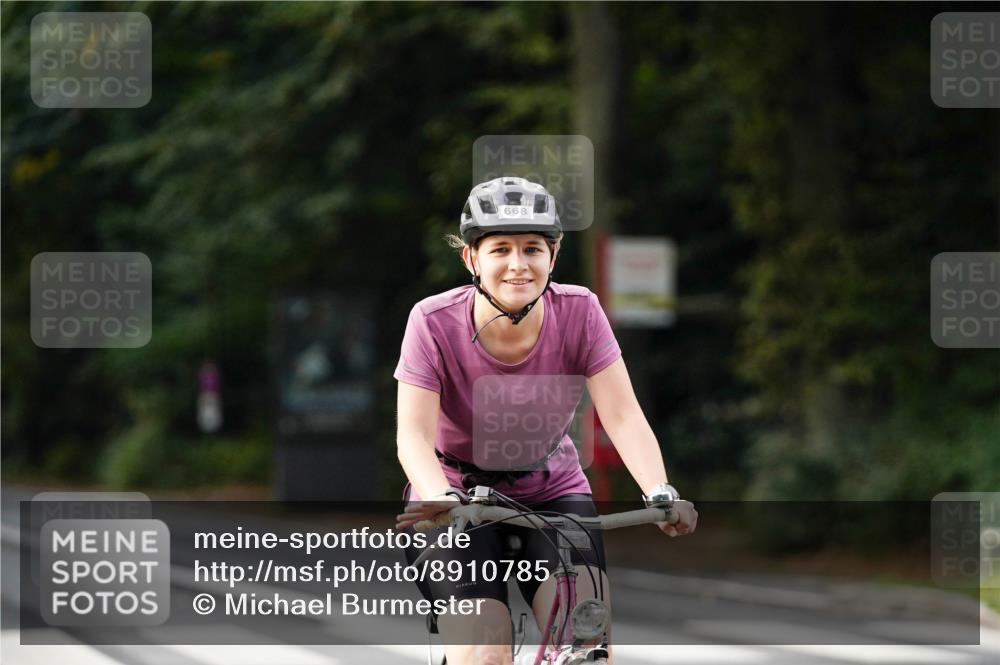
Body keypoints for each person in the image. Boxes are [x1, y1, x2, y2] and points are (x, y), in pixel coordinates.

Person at [394, 176, 697, 664]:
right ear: (471, 259)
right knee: (483, 651)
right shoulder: (432, 321)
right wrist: (441, 496)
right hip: (455, 494)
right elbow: (413, 435)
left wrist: (659, 489)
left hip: (551, 490)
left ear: (553, 258)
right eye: (500, 250)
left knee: (587, 644)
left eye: (533, 248)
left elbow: (621, 414)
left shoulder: (580, 311)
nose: (518, 265)